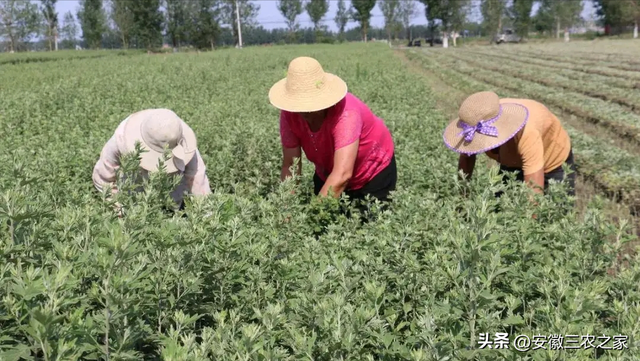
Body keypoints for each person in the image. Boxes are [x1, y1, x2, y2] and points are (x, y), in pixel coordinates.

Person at [268, 56, 397, 210]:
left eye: (308, 104)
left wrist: (309, 219)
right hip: (329, 171)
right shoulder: (290, 114)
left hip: (372, 172)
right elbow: (291, 166)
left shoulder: (347, 114)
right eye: (298, 104)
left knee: (368, 224)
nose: (303, 111)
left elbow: (342, 175)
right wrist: (286, 209)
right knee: (325, 226)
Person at [442, 91, 576, 197]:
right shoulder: (477, 117)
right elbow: (466, 159)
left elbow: (534, 194)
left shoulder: (527, 133)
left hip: (552, 161)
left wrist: (528, 228)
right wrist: (462, 195)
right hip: (511, 159)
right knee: (501, 206)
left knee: (556, 211)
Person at [93, 108, 211, 214]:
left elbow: (197, 180)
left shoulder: (185, 145)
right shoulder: (121, 139)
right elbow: (102, 178)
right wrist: (118, 209)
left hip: (171, 202)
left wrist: (207, 218)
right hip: (132, 201)